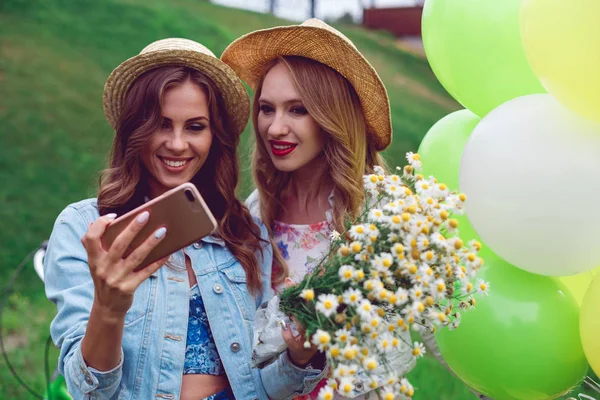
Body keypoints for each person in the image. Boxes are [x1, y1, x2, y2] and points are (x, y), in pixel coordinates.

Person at [43, 38, 327, 400]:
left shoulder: (244, 233)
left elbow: (262, 385)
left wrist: (300, 358)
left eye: (195, 127)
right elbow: (88, 390)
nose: (177, 145)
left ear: (215, 135)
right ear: (135, 129)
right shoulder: (85, 229)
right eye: (161, 124)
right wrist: (109, 309)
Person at [222, 20, 415, 399]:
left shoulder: (380, 208)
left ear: (332, 117)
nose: (275, 127)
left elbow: (433, 318)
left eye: (297, 110)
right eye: (266, 108)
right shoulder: (258, 210)